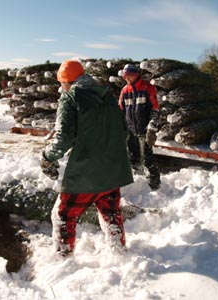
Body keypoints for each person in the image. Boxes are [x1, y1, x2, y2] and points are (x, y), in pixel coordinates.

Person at [40, 59, 134, 257]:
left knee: (63, 216)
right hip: (111, 170)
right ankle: (119, 254)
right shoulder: (107, 97)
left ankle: (63, 259)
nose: (60, 88)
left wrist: (47, 156)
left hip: (86, 173)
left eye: (61, 83)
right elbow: (123, 131)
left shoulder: (70, 98)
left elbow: (64, 138)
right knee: (110, 213)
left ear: (67, 81)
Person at [118, 64, 161, 190]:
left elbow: (155, 110)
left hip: (144, 130)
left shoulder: (148, 88)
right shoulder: (125, 91)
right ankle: (139, 184)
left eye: (129, 76)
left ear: (135, 75)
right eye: (125, 76)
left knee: (148, 160)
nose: (126, 79)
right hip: (130, 131)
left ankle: (155, 186)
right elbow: (120, 111)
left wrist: (152, 128)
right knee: (133, 158)